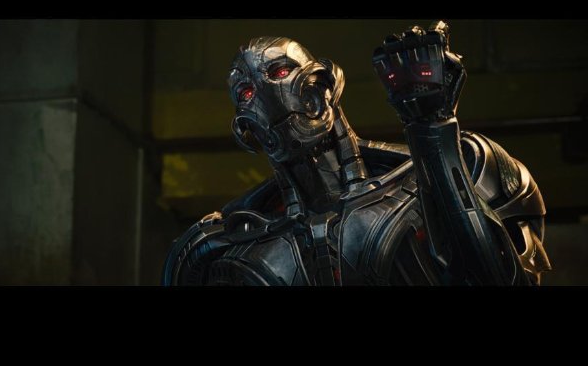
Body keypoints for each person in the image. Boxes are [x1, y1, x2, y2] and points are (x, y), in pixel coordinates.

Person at [162, 21, 551, 286]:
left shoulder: (465, 163)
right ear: (245, 128)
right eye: (247, 93)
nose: (269, 95)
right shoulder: (226, 246)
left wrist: (433, 132)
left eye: (279, 73)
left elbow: (500, 277)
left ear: (324, 85)